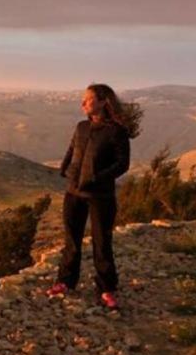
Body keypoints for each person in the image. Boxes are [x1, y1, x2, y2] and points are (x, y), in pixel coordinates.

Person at [45, 83, 140, 309]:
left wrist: (98, 177)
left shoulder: (117, 131)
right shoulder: (81, 127)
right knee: (71, 240)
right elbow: (72, 149)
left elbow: (122, 164)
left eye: (87, 99)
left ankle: (107, 288)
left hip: (100, 196)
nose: (83, 103)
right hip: (74, 192)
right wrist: (65, 168)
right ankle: (65, 281)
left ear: (102, 102)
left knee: (102, 242)